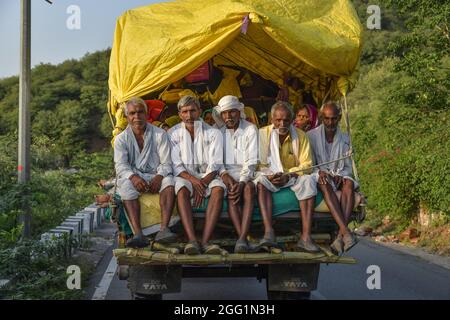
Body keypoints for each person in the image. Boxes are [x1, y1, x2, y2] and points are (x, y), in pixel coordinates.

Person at [255, 101, 321, 253]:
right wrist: (270, 176)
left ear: (292, 120)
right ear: (272, 120)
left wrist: (289, 174)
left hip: (291, 176)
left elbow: (308, 164)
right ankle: (268, 232)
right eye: (278, 120)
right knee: (260, 181)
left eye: (286, 120)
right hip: (270, 175)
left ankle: (306, 237)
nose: (282, 123)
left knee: (309, 181)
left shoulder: (301, 136)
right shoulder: (262, 134)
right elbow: (257, 164)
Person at [114, 97, 177, 248]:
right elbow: (121, 165)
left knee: (169, 182)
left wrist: (159, 177)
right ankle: (138, 234)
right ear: (127, 116)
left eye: (140, 112)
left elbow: (167, 162)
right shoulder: (121, 139)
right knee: (125, 185)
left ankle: (163, 229)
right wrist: (134, 178)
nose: (137, 117)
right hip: (135, 176)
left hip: (157, 174)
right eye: (132, 113)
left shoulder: (160, 134)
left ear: (146, 114)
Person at [168, 95, 226, 255]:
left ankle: (206, 241)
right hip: (185, 177)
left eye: (192, 110)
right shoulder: (173, 133)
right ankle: (192, 239)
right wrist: (194, 182)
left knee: (219, 190)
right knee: (181, 190)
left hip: (209, 176)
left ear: (199, 111)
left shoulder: (214, 133)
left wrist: (203, 183)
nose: (189, 115)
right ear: (179, 114)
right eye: (185, 111)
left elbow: (216, 163)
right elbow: (176, 164)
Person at [307, 101, 358, 254]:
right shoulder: (311, 136)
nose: (330, 122)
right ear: (322, 117)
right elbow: (309, 164)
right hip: (321, 177)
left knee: (349, 183)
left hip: (338, 176)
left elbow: (348, 166)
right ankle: (344, 231)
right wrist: (321, 172)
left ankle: (339, 235)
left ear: (339, 118)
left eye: (334, 118)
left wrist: (341, 176)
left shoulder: (345, 138)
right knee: (323, 182)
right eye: (327, 118)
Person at [212, 95, 258, 253]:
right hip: (225, 175)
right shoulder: (218, 131)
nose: (228, 116)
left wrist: (243, 181)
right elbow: (216, 160)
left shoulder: (250, 129)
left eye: (232, 112)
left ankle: (242, 238)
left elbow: (251, 161)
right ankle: (243, 239)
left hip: (246, 174)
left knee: (248, 189)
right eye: (224, 113)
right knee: (232, 194)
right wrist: (225, 175)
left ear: (239, 112)